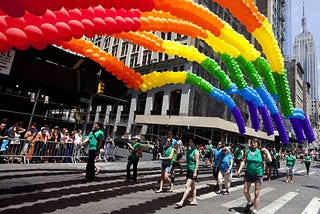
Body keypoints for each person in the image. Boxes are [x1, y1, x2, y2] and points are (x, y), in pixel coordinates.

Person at [236, 138, 272, 214]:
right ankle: (249, 202)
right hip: (248, 173)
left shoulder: (261, 152)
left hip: (258, 174)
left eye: (255, 143)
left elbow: (270, 160)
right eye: (252, 142)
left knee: (256, 193)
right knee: (245, 191)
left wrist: (266, 151)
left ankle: (255, 209)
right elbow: (244, 161)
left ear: (258, 144)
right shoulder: (248, 151)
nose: (253, 144)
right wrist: (239, 170)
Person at [175, 138, 199, 207]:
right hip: (189, 170)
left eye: (191, 142)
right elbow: (187, 160)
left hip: (193, 170)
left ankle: (181, 201)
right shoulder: (189, 150)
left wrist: (195, 172)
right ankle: (194, 200)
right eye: (189, 142)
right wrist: (180, 161)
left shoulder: (196, 151)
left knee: (187, 186)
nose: (190, 143)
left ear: (194, 143)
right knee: (193, 186)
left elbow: (197, 162)